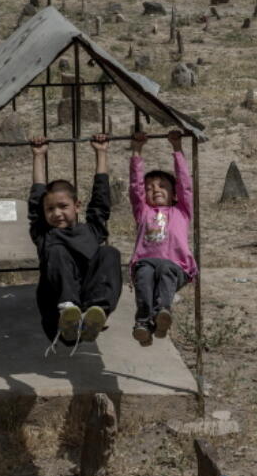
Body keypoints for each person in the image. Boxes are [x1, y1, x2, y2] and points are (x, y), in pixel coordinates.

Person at [28, 135, 121, 349]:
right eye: (50, 209)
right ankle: (69, 314)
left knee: (109, 253)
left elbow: (100, 202)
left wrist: (101, 152)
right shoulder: (45, 234)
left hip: (87, 305)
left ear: (77, 206)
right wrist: (39, 156)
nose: (56, 213)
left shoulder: (91, 231)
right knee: (58, 251)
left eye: (63, 206)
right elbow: (36, 202)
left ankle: (95, 314)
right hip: (56, 311)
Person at [127, 129, 196, 346]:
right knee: (145, 276)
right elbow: (135, 187)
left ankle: (161, 314)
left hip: (176, 266)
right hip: (146, 262)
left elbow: (185, 184)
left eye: (162, 186)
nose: (155, 190)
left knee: (165, 270)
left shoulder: (182, 211)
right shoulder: (143, 212)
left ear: (174, 194)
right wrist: (137, 151)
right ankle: (143, 325)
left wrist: (177, 148)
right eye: (150, 188)